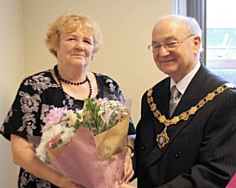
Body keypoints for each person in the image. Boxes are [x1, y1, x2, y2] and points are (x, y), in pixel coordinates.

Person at [0, 11, 135, 188]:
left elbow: (128, 134)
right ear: (55, 45)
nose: (80, 46)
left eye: (87, 41)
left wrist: (127, 155)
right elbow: (20, 152)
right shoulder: (34, 87)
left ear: (93, 49)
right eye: (71, 39)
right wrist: (60, 181)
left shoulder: (109, 86)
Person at [121, 14, 236, 188]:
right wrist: (123, 162)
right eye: (156, 46)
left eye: (171, 43)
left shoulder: (225, 98)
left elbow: (213, 172)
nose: (162, 52)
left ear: (196, 43)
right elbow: (147, 153)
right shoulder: (151, 97)